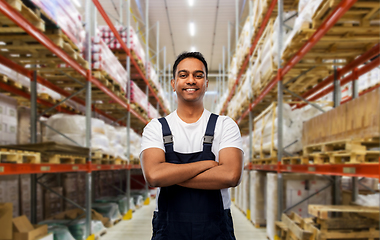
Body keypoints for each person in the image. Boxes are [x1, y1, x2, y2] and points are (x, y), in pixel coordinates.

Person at [140, 51, 244, 240]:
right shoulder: (156, 128)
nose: (191, 80)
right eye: (183, 75)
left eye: (198, 75)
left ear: (206, 83)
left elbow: (231, 175)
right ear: (173, 83)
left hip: (215, 229)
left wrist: (169, 174)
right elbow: (154, 176)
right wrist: (206, 165)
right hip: (169, 228)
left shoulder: (224, 125)